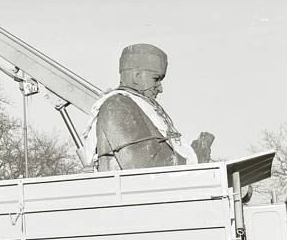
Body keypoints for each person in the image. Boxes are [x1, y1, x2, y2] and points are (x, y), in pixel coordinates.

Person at [82, 44, 210, 171]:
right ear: (137, 77)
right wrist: (197, 157)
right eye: (156, 79)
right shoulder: (117, 106)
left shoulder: (132, 105)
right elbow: (148, 169)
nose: (160, 88)